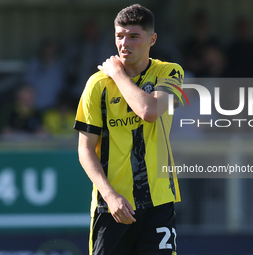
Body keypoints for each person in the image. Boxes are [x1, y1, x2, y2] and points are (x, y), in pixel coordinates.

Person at [74, 4, 183, 255]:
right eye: (119, 36)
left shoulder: (169, 72)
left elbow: (149, 112)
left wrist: (118, 74)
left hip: (158, 202)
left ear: (152, 39)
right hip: (112, 207)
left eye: (134, 36)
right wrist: (110, 196)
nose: (125, 43)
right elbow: (85, 149)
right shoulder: (97, 85)